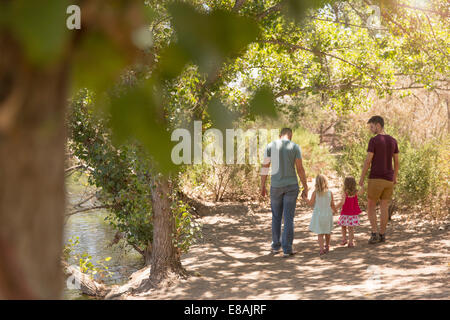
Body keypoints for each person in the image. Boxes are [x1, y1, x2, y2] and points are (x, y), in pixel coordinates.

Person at [260, 128, 308, 258]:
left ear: (279, 135)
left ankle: (276, 246)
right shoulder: (295, 147)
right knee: (288, 218)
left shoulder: (270, 146)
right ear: (290, 136)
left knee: (276, 216)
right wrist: (305, 186)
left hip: (275, 186)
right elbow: (300, 169)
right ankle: (287, 249)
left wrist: (262, 185)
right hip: (291, 186)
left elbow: (265, 167)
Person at [359, 116, 399, 244]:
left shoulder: (374, 141)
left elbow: (368, 161)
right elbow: (396, 162)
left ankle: (375, 233)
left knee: (370, 205)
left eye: (371, 127)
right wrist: (395, 177)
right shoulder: (393, 141)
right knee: (384, 206)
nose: (371, 130)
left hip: (376, 178)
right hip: (388, 180)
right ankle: (382, 234)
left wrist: (361, 179)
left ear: (378, 125)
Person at [304, 174, 337, 255]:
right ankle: (327, 246)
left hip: (319, 215)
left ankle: (321, 249)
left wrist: (305, 198)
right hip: (328, 214)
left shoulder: (315, 193)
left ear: (316, 183)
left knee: (320, 233)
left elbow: (311, 203)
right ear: (326, 182)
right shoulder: (330, 193)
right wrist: (335, 211)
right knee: (327, 232)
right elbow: (332, 204)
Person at [335, 176, 362, 248]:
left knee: (343, 226)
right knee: (351, 228)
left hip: (345, 213)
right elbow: (362, 192)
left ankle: (344, 239)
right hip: (352, 214)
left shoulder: (345, 193)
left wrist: (335, 208)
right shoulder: (355, 193)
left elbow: (342, 202)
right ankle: (351, 242)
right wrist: (362, 185)